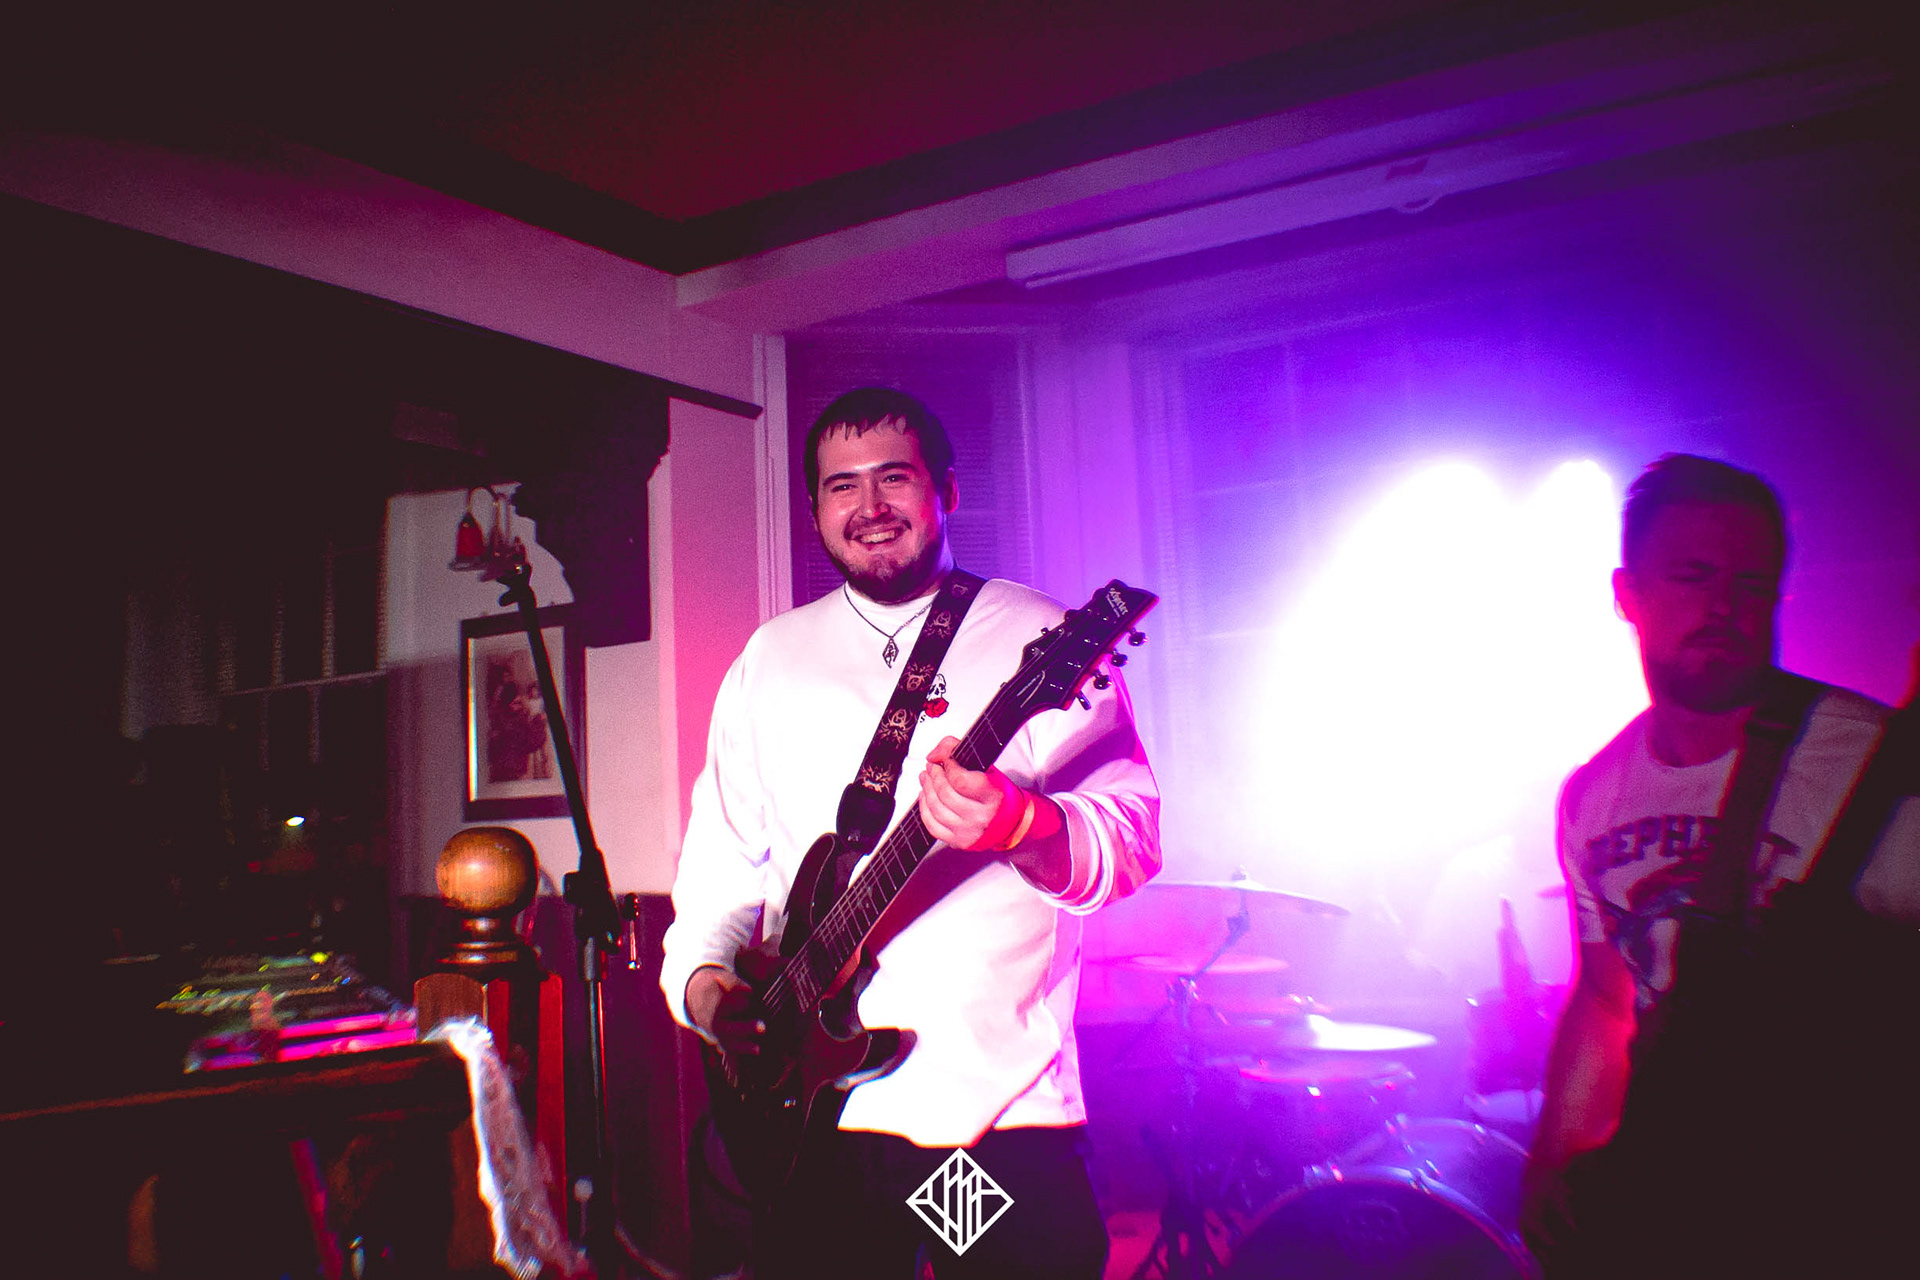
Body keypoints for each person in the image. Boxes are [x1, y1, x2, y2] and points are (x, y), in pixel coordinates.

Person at [660, 386, 1160, 1279]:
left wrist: (1023, 824)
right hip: (816, 1127)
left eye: (894, 478)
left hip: (980, 1117)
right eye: (842, 486)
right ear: (815, 509)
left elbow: (1131, 841)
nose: (870, 506)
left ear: (947, 491)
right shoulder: (768, 659)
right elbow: (718, 874)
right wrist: (707, 992)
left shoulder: (1042, 636)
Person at [1522, 454, 1919, 1277]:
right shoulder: (1592, 796)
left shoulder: (1870, 760)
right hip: (1682, 1199)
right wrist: (1555, 1154)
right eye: (1694, 576)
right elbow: (1606, 997)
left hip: (1845, 1201)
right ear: (1628, 594)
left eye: (1752, 584)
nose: (1725, 607)